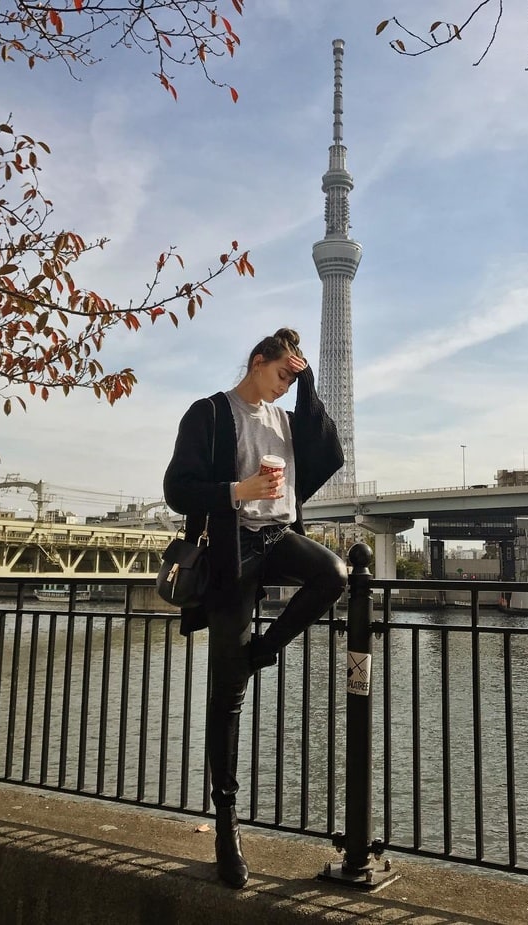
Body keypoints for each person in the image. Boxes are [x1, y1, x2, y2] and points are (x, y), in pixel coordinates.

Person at [163, 327, 348, 889]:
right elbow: (177, 489)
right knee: (227, 697)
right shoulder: (210, 413)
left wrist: (308, 383)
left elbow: (329, 449)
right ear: (257, 361)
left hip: (277, 537)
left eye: (293, 378)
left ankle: (260, 653)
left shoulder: (286, 421)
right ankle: (227, 824)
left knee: (334, 574)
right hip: (231, 550)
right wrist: (237, 491)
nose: (285, 385)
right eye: (282, 374)